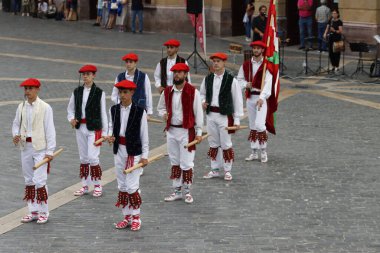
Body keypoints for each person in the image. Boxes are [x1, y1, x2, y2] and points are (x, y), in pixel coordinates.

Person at [157, 63, 203, 203]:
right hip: (171, 130)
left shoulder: (192, 92)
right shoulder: (167, 91)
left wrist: (199, 131)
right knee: (175, 161)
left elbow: (198, 113)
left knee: (187, 163)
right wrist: (163, 114)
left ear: (185, 74)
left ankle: (187, 191)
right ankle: (177, 191)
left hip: (186, 131)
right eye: (175, 72)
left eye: (179, 72)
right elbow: (160, 108)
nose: (176, 74)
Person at [12, 78, 56, 224]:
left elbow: (50, 130)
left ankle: (44, 211)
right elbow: (16, 124)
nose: (27, 91)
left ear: (37, 89)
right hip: (26, 147)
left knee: (40, 180)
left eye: (30, 88)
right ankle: (33, 211)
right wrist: (16, 135)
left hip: (40, 149)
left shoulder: (45, 107)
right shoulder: (21, 107)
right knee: (29, 180)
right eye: (26, 89)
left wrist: (50, 151)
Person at [108, 80, 149, 231]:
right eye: (120, 92)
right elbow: (111, 127)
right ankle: (126, 216)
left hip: (134, 152)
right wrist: (110, 136)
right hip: (119, 150)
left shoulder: (140, 111)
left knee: (132, 186)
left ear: (132, 93)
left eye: (125, 92)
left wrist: (145, 155)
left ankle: (136, 217)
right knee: (122, 185)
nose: (122, 95)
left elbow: (144, 135)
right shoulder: (114, 109)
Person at [200, 53, 244, 181]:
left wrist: (236, 119)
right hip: (210, 114)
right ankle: (214, 169)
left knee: (225, 143)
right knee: (213, 142)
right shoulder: (207, 79)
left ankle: (227, 170)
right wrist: (203, 102)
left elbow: (237, 100)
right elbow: (202, 93)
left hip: (224, 115)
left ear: (224, 63)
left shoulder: (231, 80)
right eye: (214, 61)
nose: (215, 64)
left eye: (218, 61)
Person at [67, 65, 108, 197]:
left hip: (94, 128)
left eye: (88, 74)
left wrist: (105, 132)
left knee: (93, 157)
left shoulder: (99, 92)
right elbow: (70, 109)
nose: (85, 76)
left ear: (93, 75)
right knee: (83, 158)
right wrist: (72, 119)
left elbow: (103, 113)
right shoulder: (77, 91)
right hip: (80, 127)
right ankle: (85, 185)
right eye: (83, 74)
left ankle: (97, 185)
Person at [237, 41, 273, 163]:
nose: (256, 50)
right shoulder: (246, 65)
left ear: (262, 50)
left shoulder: (266, 65)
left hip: (260, 98)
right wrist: (245, 84)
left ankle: (263, 151)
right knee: (252, 125)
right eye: (254, 48)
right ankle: (254, 151)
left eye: (258, 48)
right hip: (250, 97)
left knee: (259, 125)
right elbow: (239, 79)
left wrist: (262, 97)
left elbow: (268, 83)